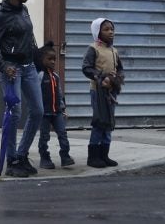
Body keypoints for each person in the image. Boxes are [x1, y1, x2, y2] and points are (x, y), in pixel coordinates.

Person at [0, 0, 44, 178]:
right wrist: (4, 66)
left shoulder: (24, 10)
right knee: (15, 113)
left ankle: (22, 155)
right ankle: (12, 160)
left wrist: (39, 58)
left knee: (38, 110)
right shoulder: (0, 16)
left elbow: (30, 38)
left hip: (29, 67)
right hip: (12, 70)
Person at [82, 17, 124, 168]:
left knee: (109, 123)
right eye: (106, 29)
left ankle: (104, 155)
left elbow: (120, 69)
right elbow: (86, 68)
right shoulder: (93, 48)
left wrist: (116, 79)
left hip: (111, 92)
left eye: (112, 29)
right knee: (100, 121)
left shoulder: (114, 51)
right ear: (97, 32)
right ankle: (93, 157)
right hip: (98, 91)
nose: (110, 32)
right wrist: (100, 78)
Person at [37, 45, 75, 169]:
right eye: (49, 59)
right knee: (44, 136)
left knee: (63, 134)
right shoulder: (40, 75)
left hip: (57, 112)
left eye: (54, 59)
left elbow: (59, 94)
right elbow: (35, 93)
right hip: (44, 113)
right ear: (42, 59)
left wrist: (63, 109)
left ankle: (65, 156)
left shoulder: (56, 77)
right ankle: (44, 158)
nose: (53, 61)